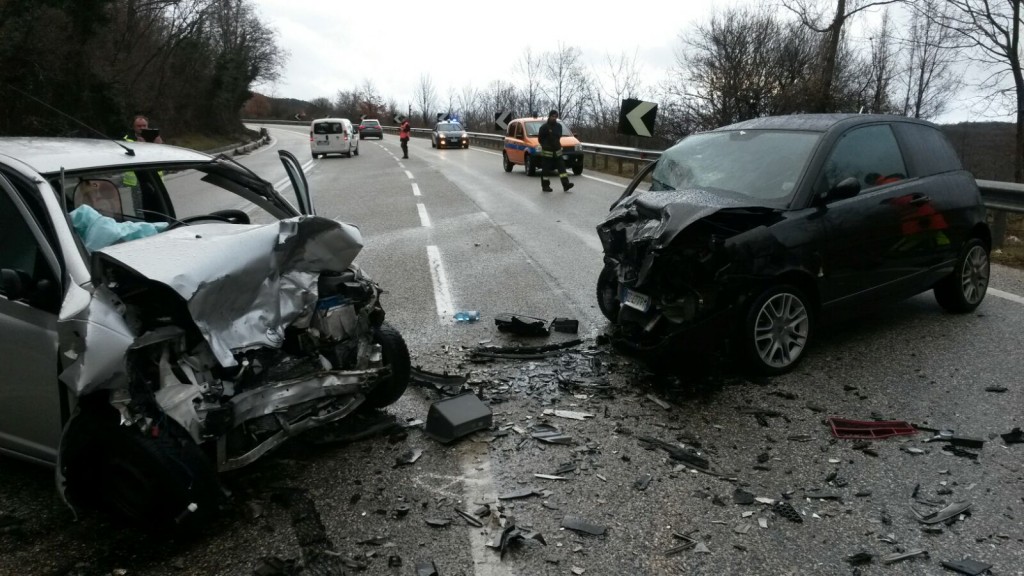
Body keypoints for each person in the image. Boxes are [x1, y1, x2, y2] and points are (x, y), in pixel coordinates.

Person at [537, 110, 574, 193]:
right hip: (547, 153)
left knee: (562, 169)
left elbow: (558, 137)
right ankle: (545, 186)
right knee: (546, 171)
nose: (554, 118)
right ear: (549, 117)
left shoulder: (559, 126)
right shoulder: (544, 127)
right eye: (552, 116)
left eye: (555, 117)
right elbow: (540, 139)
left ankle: (566, 185)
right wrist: (546, 146)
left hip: (557, 152)